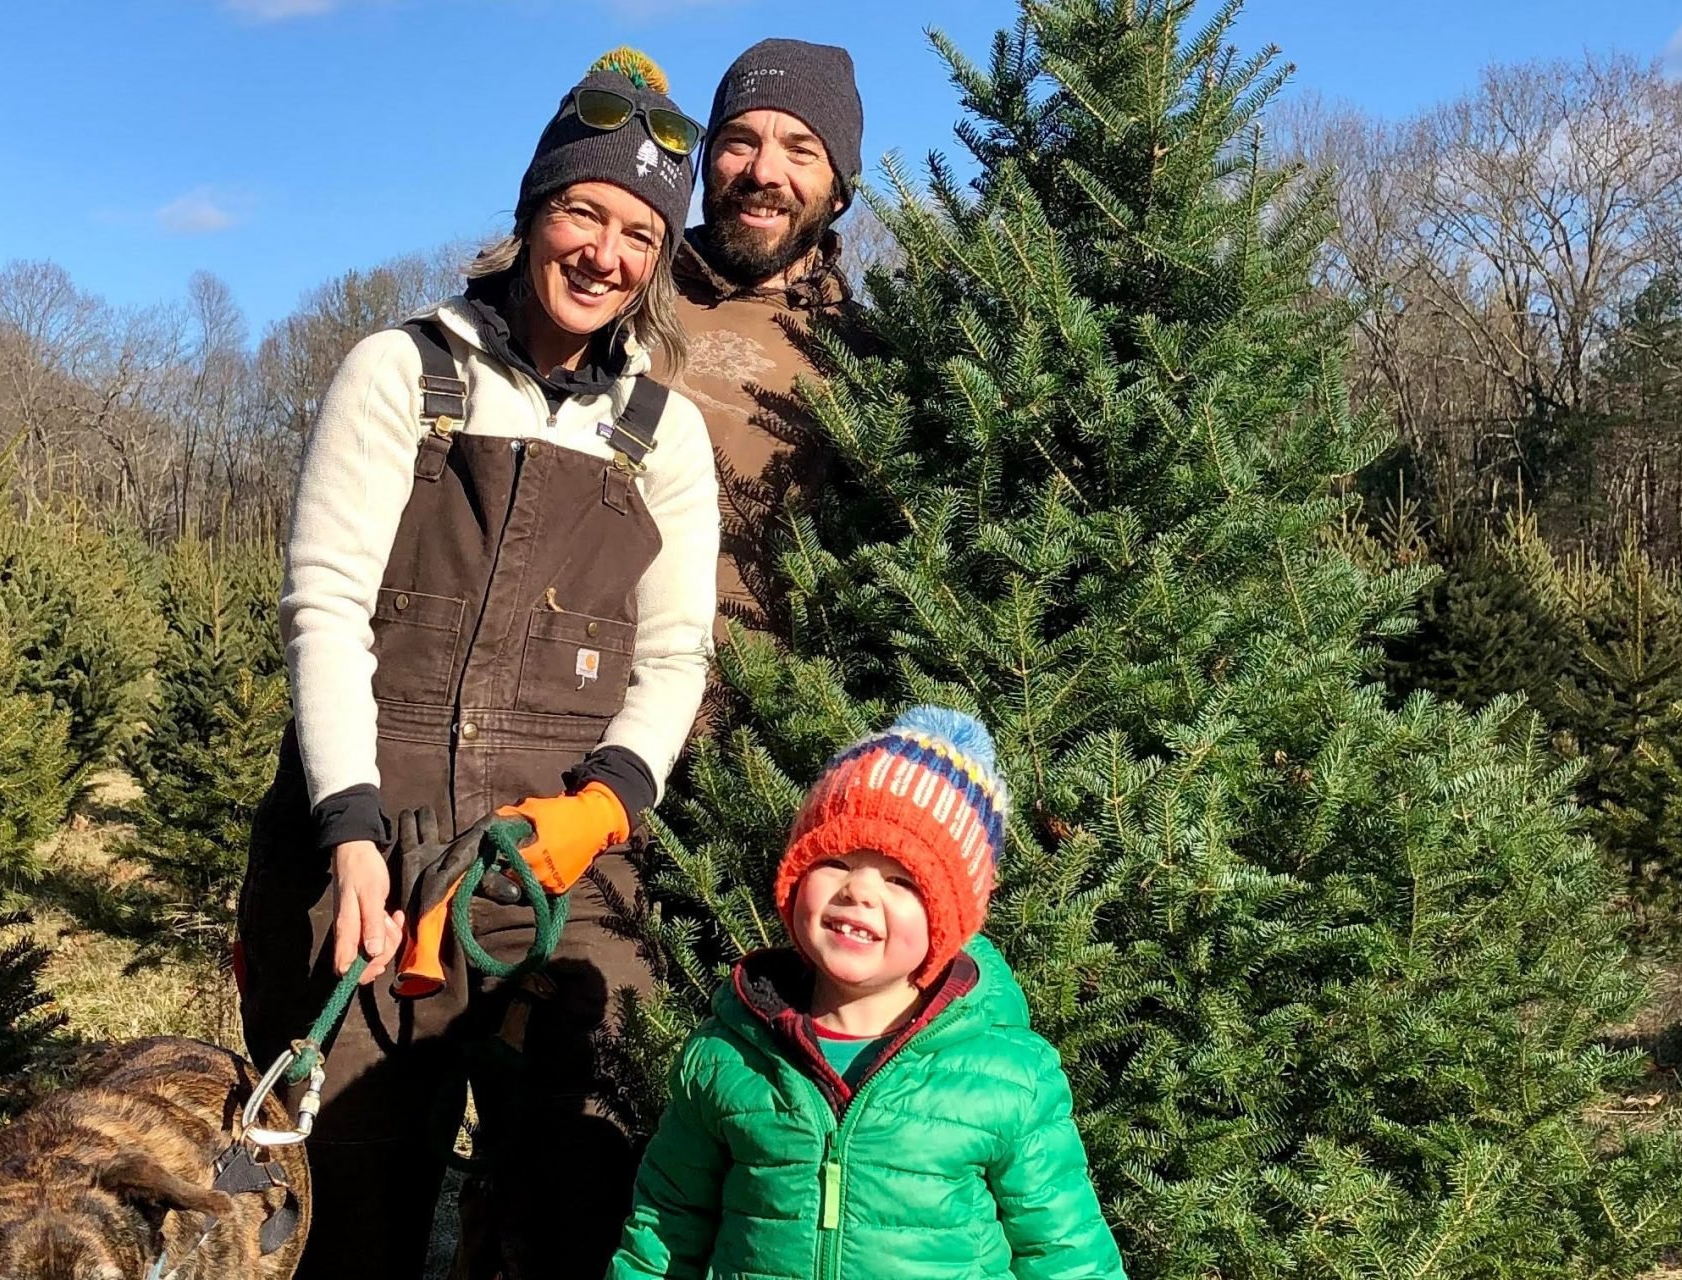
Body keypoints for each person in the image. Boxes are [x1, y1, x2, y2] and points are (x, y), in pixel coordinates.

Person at [236, 48, 719, 1280]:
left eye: (638, 232)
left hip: (555, 879)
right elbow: (326, 603)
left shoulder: (663, 436)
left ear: (659, 259)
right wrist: (347, 830)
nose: (604, 252)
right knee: (345, 1215)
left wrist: (604, 805)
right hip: (365, 864)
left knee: (579, 1207)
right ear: (531, 212)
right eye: (583, 211)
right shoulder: (401, 372)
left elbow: (675, 653)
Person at [605, 707, 1126, 1280]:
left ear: (949, 920)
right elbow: (666, 1224)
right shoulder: (729, 1056)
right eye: (836, 861)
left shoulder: (1008, 1077)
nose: (859, 891)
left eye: (901, 880)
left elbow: (1066, 1255)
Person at [673, 38, 865, 636]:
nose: (763, 172)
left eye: (800, 150)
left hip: (770, 719)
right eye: (739, 141)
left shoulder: (869, 359)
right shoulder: (621, 301)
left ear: (839, 190)